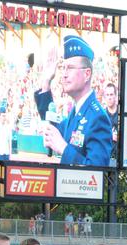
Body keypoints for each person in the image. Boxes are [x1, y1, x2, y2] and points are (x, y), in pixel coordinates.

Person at [35, 36, 112, 166]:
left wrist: (63, 148)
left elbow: (98, 171)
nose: (64, 74)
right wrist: (46, 82)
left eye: (70, 68)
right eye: (62, 68)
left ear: (87, 74)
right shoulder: (76, 112)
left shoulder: (97, 117)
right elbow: (53, 129)